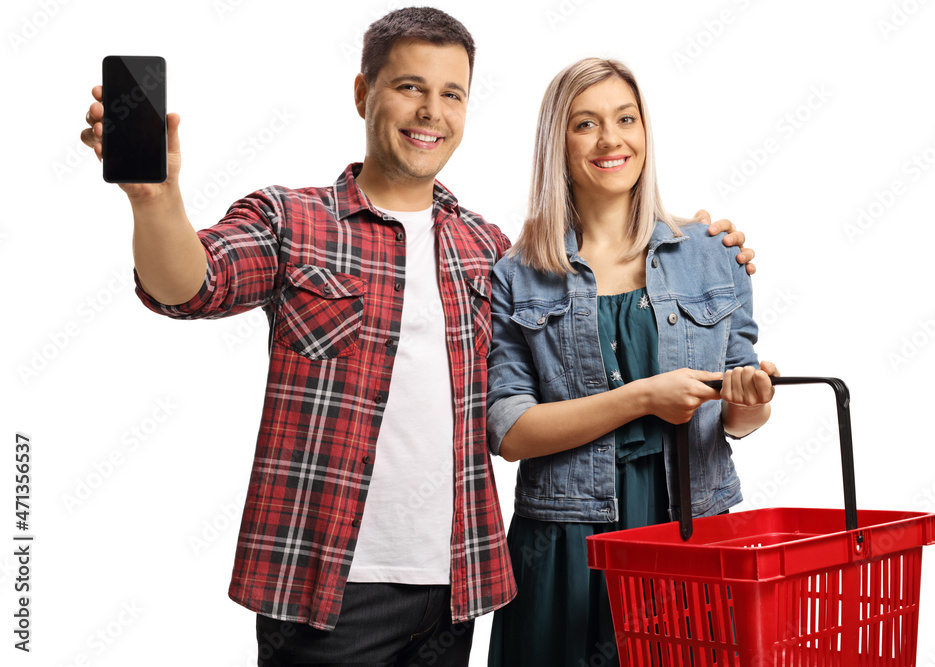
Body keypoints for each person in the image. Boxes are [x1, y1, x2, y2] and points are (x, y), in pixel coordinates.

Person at [80, 8, 755, 665]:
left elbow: (590, 291)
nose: (431, 111)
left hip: (455, 589)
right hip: (326, 589)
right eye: (410, 88)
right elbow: (189, 285)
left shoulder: (484, 248)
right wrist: (154, 198)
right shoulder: (293, 219)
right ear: (363, 93)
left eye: (450, 94)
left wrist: (697, 243)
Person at [485, 57, 778, 667]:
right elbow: (510, 432)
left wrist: (750, 402)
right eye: (585, 124)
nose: (611, 138)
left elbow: (736, 417)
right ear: (556, 144)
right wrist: (644, 398)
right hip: (565, 540)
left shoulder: (711, 253)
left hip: (690, 526)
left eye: (626, 118)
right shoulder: (518, 275)